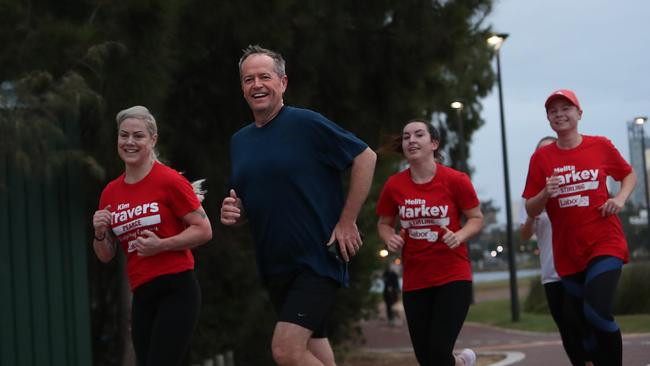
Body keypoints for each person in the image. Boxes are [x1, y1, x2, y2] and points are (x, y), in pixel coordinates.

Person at [220, 45, 376, 366]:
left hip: (316, 259)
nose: (257, 85)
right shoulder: (240, 141)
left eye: (265, 77)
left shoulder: (305, 124)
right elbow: (248, 200)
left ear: (283, 83)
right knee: (316, 351)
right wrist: (235, 214)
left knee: (286, 351)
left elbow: (365, 157)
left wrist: (347, 221)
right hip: (275, 264)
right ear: (242, 88)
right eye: (249, 79)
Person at [92, 106, 213, 366]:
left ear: (153, 139)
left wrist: (162, 245)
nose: (129, 142)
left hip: (177, 288)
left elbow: (204, 229)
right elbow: (105, 255)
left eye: (138, 136)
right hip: (143, 294)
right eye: (124, 136)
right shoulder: (110, 192)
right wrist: (100, 233)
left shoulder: (169, 180)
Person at [523, 89, 636, 366]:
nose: (560, 114)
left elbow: (628, 174)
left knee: (596, 313)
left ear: (579, 114)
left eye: (566, 108)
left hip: (604, 241)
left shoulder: (600, 145)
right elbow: (531, 209)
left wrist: (619, 198)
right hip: (567, 253)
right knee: (582, 326)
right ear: (548, 118)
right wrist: (545, 194)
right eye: (553, 111)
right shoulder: (541, 159)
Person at [376, 119, 483, 366]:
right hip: (416, 280)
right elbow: (384, 223)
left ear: (434, 143)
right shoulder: (395, 185)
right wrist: (388, 238)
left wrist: (460, 235)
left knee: (437, 350)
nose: (411, 140)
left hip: (453, 277)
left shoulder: (456, 180)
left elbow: (476, 218)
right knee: (426, 358)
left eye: (419, 135)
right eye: (406, 137)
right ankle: (461, 363)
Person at [520, 136, 592, 366]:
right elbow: (524, 235)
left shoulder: (574, 185)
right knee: (566, 331)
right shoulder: (534, 197)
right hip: (551, 273)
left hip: (577, 268)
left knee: (579, 321)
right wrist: (535, 211)